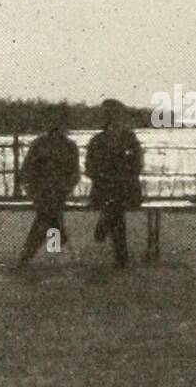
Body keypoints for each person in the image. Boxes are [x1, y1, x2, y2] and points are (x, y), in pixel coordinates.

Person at [16, 110, 80, 266]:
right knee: (51, 217)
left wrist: (65, 189)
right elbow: (27, 171)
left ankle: (28, 256)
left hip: (58, 193)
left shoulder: (70, 146)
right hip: (42, 194)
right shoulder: (39, 144)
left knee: (46, 218)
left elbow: (74, 173)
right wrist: (33, 192)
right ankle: (59, 251)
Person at [84, 99, 144, 268]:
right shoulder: (97, 140)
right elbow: (90, 168)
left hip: (125, 191)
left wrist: (118, 179)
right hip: (106, 191)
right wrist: (106, 179)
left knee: (114, 205)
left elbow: (136, 166)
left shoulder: (130, 139)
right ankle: (121, 257)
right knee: (115, 207)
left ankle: (105, 222)